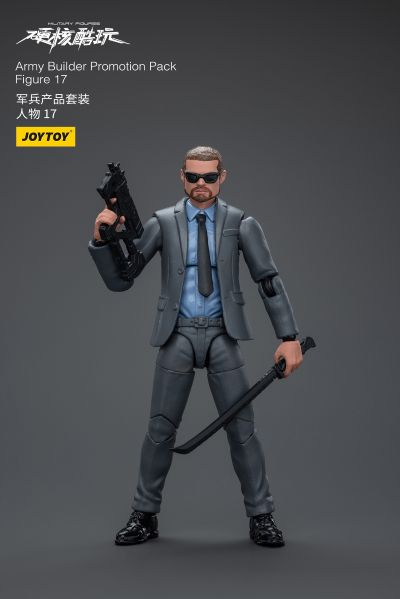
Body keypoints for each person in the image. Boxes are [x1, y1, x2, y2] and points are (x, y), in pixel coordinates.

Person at [88, 146, 303, 547]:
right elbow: (123, 278)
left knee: (242, 430)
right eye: (193, 177)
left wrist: (289, 337)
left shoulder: (241, 223)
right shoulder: (164, 223)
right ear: (182, 177)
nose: (201, 184)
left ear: (223, 177)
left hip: (223, 333)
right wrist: (104, 240)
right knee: (159, 429)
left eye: (209, 177)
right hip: (178, 334)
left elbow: (268, 280)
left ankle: (262, 515)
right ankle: (144, 513)